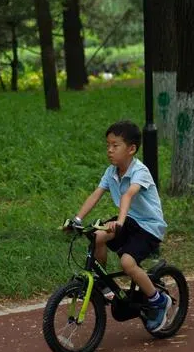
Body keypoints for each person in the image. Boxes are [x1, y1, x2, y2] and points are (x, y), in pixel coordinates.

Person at [66, 120, 172, 332]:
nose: (110, 150)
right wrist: (76, 220)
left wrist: (120, 222)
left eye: (115, 146)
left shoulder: (139, 171)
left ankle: (158, 300)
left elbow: (128, 194)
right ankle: (103, 283)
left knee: (127, 263)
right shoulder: (110, 171)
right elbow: (96, 194)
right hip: (129, 220)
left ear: (131, 149)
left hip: (149, 226)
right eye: (108, 145)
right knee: (96, 236)